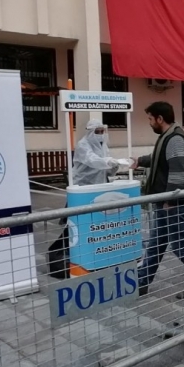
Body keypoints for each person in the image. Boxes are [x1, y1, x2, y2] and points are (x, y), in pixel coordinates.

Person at [132, 102, 184, 299]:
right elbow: (159, 158)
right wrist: (140, 161)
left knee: (181, 244)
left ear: (160, 119)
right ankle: (142, 282)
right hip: (167, 201)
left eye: (150, 119)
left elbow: (178, 173)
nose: (149, 123)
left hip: (175, 202)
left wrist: (170, 200)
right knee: (156, 243)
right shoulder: (168, 136)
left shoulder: (175, 139)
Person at [48, 119, 120, 279]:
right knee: (75, 225)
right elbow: (92, 161)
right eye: (98, 132)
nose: (101, 135)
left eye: (103, 132)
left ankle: (91, 257)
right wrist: (107, 162)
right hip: (82, 190)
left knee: (93, 225)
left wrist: (113, 167)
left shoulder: (103, 146)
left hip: (98, 190)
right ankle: (60, 255)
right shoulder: (83, 145)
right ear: (90, 132)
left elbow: (105, 167)